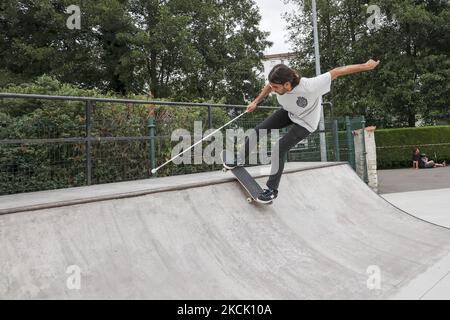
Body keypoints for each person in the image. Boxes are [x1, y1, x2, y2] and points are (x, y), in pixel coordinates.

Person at [224, 59, 380, 203]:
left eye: (276, 88)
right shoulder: (276, 85)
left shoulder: (310, 85)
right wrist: (256, 101)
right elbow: (268, 86)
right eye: (272, 87)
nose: (273, 90)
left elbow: (337, 72)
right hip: (289, 113)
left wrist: (366, 66)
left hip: (306, 123)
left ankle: (272, 190)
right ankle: (239, 159)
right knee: (259, 130)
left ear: (287, 84)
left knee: (279, 147)